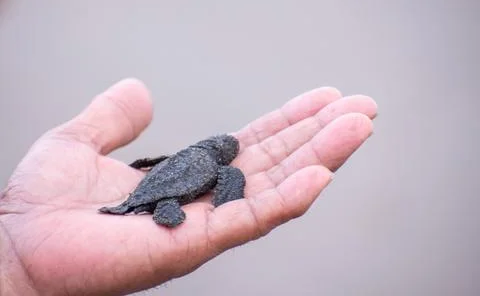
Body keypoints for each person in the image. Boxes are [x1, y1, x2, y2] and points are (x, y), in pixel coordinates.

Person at [0, 78, 377, 295]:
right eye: (228, 149)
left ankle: (143, 205)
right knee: (170, 210)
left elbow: (158, 161)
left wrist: (17, 269)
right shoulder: (223, 169)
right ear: (223, 153)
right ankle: (161, 210)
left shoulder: (188, 152)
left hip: (157, 183)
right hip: (169, 193)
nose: (229, 153)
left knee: (160, 198)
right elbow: (227, 184)